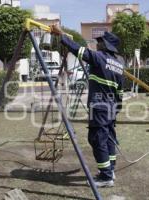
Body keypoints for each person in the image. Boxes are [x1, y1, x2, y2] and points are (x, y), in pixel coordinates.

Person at [51, 25, 124, 187]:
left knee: (97, 139)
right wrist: (116, 109)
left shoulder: (99, 58)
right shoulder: (119, 65)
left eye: (100, 42)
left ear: (106, 46)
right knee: (109, 138)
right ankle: (110, 170)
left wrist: (61, 35)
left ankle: (105, 177)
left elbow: (78, 50)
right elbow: (120, 92)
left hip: (100, 108)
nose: (97, 44)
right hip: (111, 107)